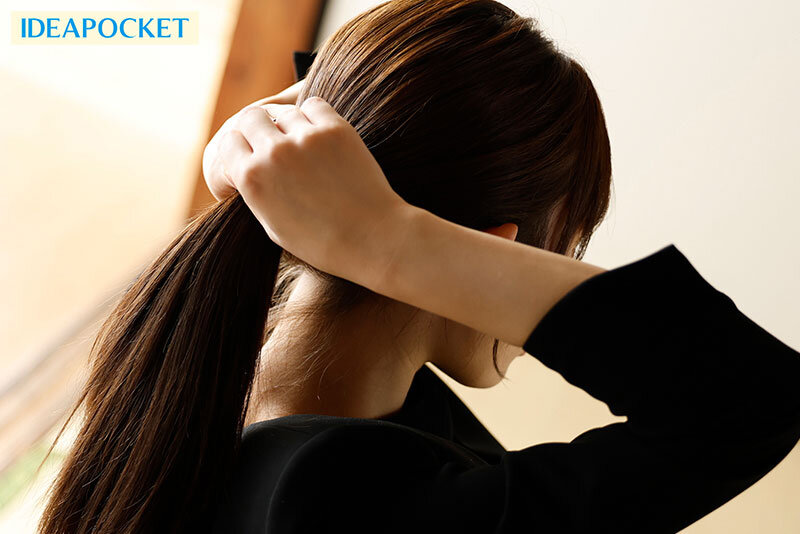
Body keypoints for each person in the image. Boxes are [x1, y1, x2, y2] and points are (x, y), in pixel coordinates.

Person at [38, 1, 800, 533]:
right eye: (566, 250)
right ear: (495, 245)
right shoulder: (342, 501)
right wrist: (388, 238)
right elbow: (750, 402)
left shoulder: (204, 376)